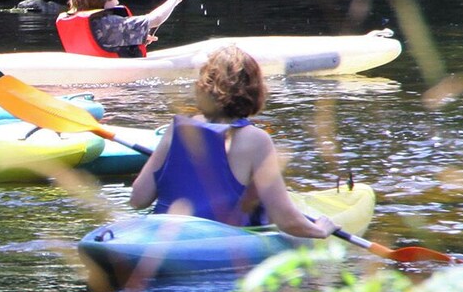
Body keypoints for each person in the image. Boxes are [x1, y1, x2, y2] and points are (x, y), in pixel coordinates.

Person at [126, 45, 338, 238]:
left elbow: (138, 199)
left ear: (202, 88)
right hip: (217, 245)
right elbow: (286, 220)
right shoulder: (256, 140)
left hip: (163, 239)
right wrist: (320, 229)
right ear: (255, 91)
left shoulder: (177, 129)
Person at [55, 0, 185, 58]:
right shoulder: (109, 23)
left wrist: (133, 37)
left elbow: (102, 42)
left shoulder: (66, 19)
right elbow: (156, 19)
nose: (117, 2)